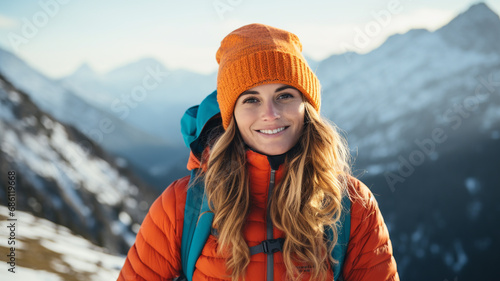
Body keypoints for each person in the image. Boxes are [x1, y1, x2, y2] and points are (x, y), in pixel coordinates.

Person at [118, 23, 399, 281]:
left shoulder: (352, 205)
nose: (270, 114)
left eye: (285, 95)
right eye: (251, 99)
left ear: (306, 106)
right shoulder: (181, 207)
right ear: (231, 116)